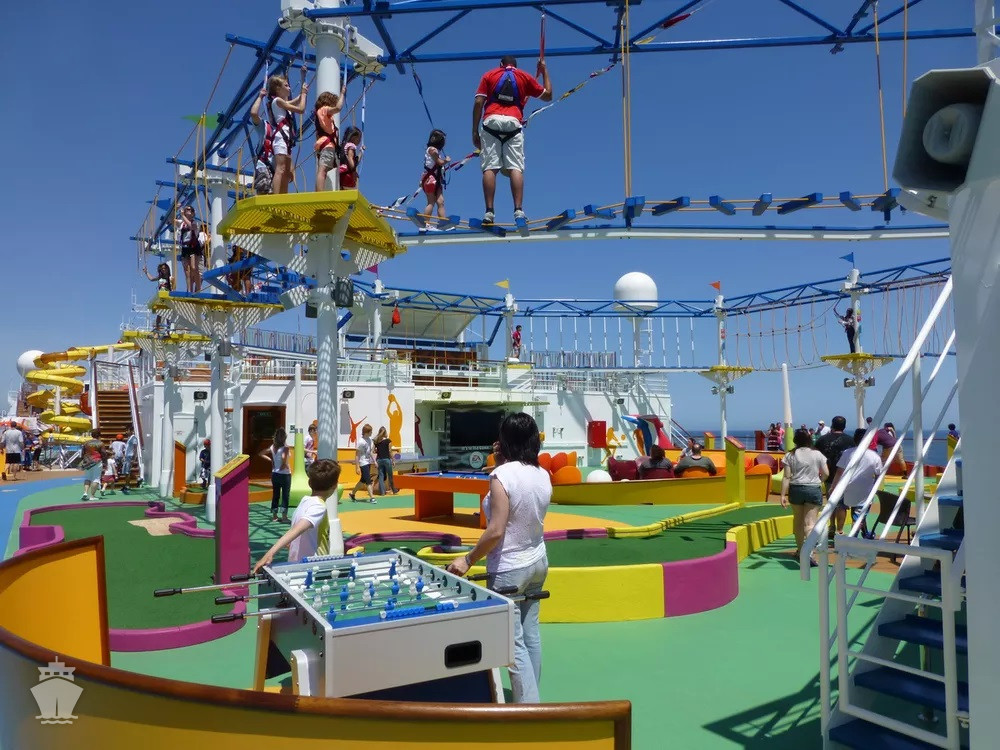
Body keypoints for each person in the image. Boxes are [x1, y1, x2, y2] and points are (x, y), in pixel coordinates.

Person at [446, 412, 550, 703]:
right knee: (530, 634)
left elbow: (496, 530)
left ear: (504, 441)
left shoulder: (500, 476)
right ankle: (532, 697)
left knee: (512, 644)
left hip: (509, 568)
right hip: (538, 561)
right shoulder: (542, 473)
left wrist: (468, 560)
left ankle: (528, 709)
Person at [473, 55, 553, 224]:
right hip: (513, 124)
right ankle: (518, 210)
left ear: (501, 64)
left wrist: (474, 131)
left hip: (491, 122)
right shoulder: (524, 77)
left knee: (490, 168)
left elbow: (479, 102)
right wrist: (544, 70)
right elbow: (548, 95)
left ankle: (489, 212)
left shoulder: (489, 75)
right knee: (515, 167)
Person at [253, 459, 342, 572]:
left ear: (309, 483)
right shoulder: (318, 507)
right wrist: (270, 553)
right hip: (313, 568)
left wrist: (292, 542)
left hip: (298, 566)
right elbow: (297, 529)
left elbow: (300, 530)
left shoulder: (305, 501)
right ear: (335, 486)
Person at [780, 428, 830, 565]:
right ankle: (810, 551)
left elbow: (786, 477)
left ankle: (801, 550)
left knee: (798, 521)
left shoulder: (790, 455)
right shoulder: (817, 454)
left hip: (796, 489)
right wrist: (819, 480)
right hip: (813, 489)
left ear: (795, 440)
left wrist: (783, 495)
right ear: (809, 439)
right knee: (810, 523)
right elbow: (826, 473)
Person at [830, 428, 882, 538]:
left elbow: (839, 472)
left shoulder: (847, 453)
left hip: (845, 487)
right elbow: (878, 475)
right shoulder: (874, 456)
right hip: (864, 490)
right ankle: (853, 538)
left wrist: (833, 486)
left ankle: (840, 531)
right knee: (858, 516)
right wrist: (874, 488)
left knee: (842, 507)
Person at [266, 72, 309, 195]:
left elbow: (297, 100)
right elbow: (301, 109)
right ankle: (276, 197)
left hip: (286, 140)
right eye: (286, 85)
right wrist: (304, 94)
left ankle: (283, 196)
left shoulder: (281, 103)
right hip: (281, 138)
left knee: (287, 173)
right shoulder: (278, 101)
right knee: (280, 169)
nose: (289, 88)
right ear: (278, 89)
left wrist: (302, 77)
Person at [814, 416, 855, 528]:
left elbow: (815, 455)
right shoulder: (851, 440)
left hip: (828, 475)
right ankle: (840, 530)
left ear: (832, 425)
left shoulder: (822, 440)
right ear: (844, 426)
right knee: (842, 505)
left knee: (830, 503)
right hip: (845, 476)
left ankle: (832, 526)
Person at [314, 86, 346, 191]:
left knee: (323, 170)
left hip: (322, 145)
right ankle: (319, 194)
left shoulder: (319, 114)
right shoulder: (325, 110)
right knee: (322, 170)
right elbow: (338, 108)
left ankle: (319, 191)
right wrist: (342, 94)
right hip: (328, 145)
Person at [420, 129, 451, 229]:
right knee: (431, 202)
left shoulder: (434, 150)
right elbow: (439, 162)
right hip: (430, 179)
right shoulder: (432, 150)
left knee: (440, 201)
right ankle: (426, 223)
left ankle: (443, 223)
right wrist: (446, 161)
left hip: (435, 179)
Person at [262, 428, 292, 523]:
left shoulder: (272, 447)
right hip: (285, 474)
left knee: (276, 495)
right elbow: (283, 457)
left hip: (275, 473)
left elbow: (261, 453)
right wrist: (285, 464)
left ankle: (274, 516)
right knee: (285, 495)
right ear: (284, 437)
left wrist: (271, 460)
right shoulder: (285, 448)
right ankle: (284, 517)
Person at [249, 87, 273, 195]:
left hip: (276, 169)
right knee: (265, 191)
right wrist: (260, 97)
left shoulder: (284, 129)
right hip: (264, 165)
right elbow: (254, 114)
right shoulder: (265, 126)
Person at [176, 205, 202, 293]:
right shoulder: (181, 223)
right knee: (187, 271)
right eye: (186, 209)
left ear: (193, 213)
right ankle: (189, 290)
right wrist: (175, 209)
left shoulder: (196, 222)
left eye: (189, 209)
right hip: (185, 247)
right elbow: (171, 220)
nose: (187, 210)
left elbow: (192, 227)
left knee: (194, 268)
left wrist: (183, 216)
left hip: (194, 247)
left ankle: (198, 289)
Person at [349, 424, 376, 502]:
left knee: (363, 480)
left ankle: (352, 494)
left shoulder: (370, 440)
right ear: (366, 432)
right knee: (368, 480)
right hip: (363, 462)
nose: (371, 433)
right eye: (370, 431)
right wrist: (357, 467)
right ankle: (372, 497)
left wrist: (374, 461)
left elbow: (370, 452)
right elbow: (357, 455)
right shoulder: (361, 442)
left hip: (368, 462)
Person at [143, 261, 173, 333]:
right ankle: (157, 330)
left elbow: (173, 287)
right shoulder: (160, 277)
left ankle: (168, 332)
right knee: (159, 314)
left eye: (165, 268)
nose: (163, 270)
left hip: (167, 296)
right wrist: (146, 272)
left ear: (167, 269)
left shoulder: (170, 278)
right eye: (162, 268)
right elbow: (151, 279)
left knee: (168, 315)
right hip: (161, 297)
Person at [79, 429, 103, 500]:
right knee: (96, 478)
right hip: (97, 461)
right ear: (99, 436)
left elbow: (83, 453)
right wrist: (105, 463)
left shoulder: (86, 443)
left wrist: (83, 460)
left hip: (87, 461)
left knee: (87, 478)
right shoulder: (100, 443)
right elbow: (103, 453)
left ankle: (85, 492)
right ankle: (92, 496)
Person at [373, 426, 397, 496]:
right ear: (385, 432)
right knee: (390, 475)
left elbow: (374, 451)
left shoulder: (376, 441)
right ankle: (394, 490)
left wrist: (378, 450)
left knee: (381, 476)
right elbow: (390, 451)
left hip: (379, 460)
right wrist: (393, 460)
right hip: (386, 459)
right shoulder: (388, 441)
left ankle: (382, 492)